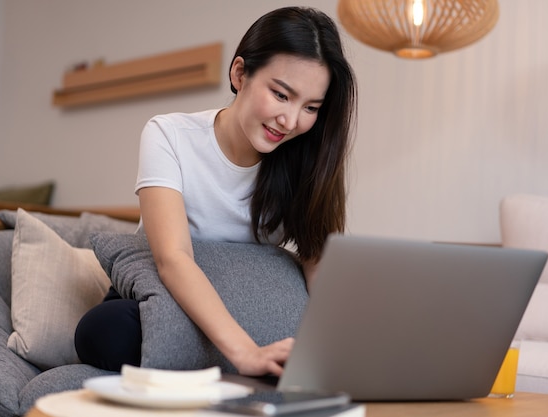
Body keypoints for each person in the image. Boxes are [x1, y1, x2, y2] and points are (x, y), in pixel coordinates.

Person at [75, 5, 357, 376]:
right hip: (168, 302)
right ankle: (236, 356)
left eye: (311, 107)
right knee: (104, 330)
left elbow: (316, 264)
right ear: (240, 73)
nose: (289, 121)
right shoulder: (169, 135)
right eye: (281, 95)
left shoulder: (306, 158)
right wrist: (245, 353)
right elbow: (173, 259)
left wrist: (341, 348)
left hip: (253, 309)